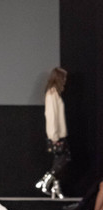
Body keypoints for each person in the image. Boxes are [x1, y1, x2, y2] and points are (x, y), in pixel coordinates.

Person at [36, 67, 70, 199]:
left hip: (60, 133)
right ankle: (45, 181)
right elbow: (51, 116)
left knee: (58, 161)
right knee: (64, 159)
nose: (65, 81)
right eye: (64, 78)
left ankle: (55, 187)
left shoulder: (55, 93)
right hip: (56, 134)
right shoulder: (51, 94)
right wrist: (54, 135)